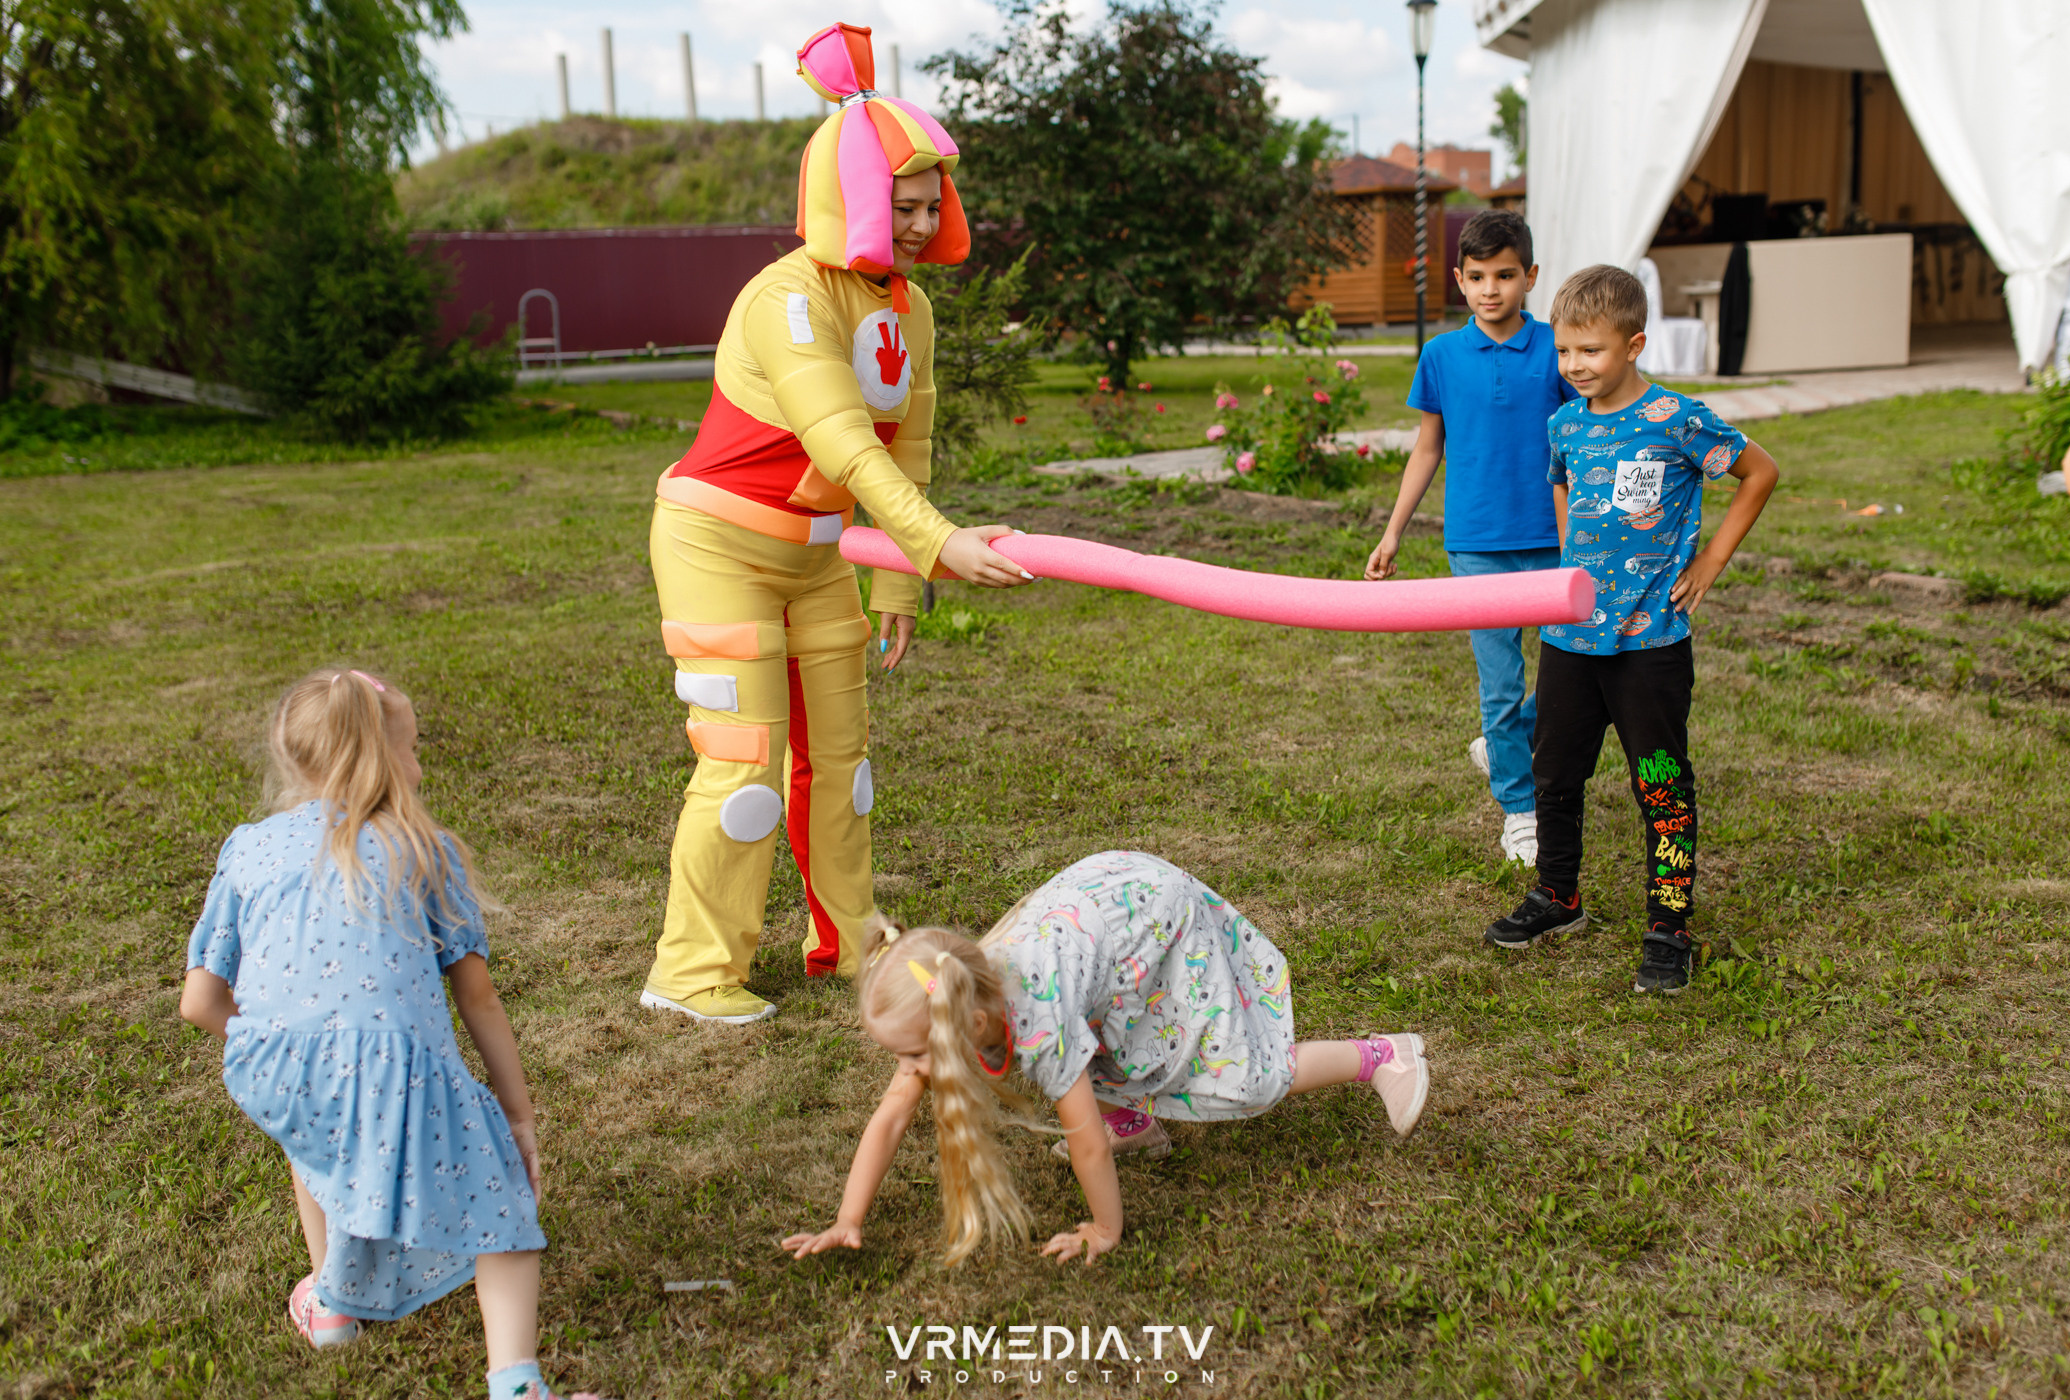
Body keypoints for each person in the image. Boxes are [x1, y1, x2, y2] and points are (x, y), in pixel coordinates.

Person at [642, 22, 1032, 1027]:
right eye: (898, 204)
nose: (915, 223)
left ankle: (846, 937)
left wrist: (902, 578)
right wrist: (939, 542)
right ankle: (690, 969)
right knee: (744, 772)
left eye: (928, 204)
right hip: (716, 545)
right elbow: (846, 441)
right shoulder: (788, 301)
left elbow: (908, 447)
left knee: (845, 769)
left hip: (814, 559)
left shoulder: (912, 310)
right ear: (850, 197)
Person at [178, 668, 595, 1400]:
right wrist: (518, 1120)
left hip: (267, 1064)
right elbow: (479, 996)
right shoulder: (417, 844)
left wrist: (285, 1044)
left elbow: (199, 1001)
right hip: (394, 1059)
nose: (420, 765)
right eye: (412, 748)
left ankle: (332, 1305)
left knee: (317, 1138)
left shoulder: (246, 847)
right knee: (500, 1207)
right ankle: (517, 1384)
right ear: (375, 757)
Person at [778, 851, 1432, 1266]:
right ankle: (1137, 1120)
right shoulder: (961, 990)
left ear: (971, 1023)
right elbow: (893, 1115)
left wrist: (1105, 1229)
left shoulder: (1036, 1022)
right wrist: (846, 1218)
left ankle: (1381, 1057)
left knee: (1243, 1081)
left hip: (1154, 920)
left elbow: (1080, 1139)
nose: (907, 1069)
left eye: (915, 1052)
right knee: (1109, 1038)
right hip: (1102, 907)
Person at [1483, 264, 1778, 994]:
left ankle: (1668, 925)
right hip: (1569, 640)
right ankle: (1558, 897)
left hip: (1649, 645)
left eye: (1593, 351)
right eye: (1565, 352)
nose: (1576, 366)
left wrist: (1712, 558)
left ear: (1635, 344)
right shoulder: (1566, 423)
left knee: (1660, 784)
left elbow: (1760, 472)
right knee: (1554, 774)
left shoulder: (1676, 419)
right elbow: (1560, 479)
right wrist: (1566, 571)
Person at [1365, 211, 1578, 866]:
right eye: (1479, 277)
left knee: (1573, 674)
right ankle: (1520, 808)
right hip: (1477, 543)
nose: (1492, 290)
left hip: (1552, 542)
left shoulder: (1555, 350)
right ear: (1459, 280)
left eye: (1506, 276)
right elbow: (1429, 447)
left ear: (1531, 278)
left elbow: (1580, 440)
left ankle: (1503, 737)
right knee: (1499, 681)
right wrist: (1394, 530)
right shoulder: (1440, 356)